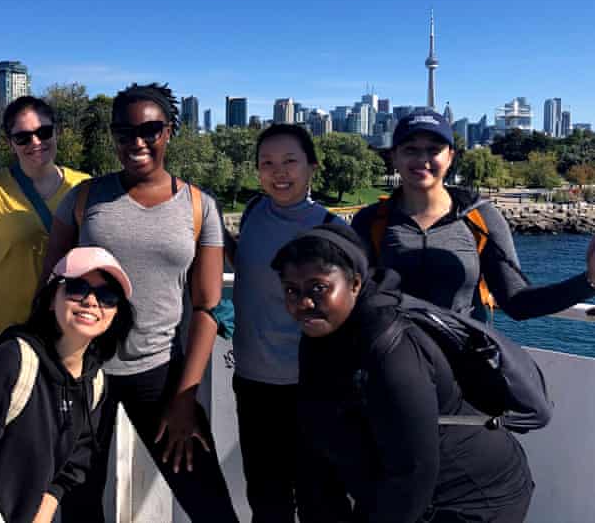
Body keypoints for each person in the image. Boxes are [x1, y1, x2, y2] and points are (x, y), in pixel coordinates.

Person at [45, 83, 239, 522]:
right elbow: (50, 286)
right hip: (84, 373)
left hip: (161, 375)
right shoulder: (83, 200)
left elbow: (207, 307)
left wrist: (185, 397)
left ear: (169, 131)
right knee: (79, 506)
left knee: (209, 503)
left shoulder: (198, 205)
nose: (137, 142)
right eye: (124, 132)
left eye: (150, 129)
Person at [272, 224, 534, 523]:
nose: (303, 303)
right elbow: (317, 432)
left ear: (355, 284)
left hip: (473, 496)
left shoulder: (392, 351)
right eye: (292, 290)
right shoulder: (319, 338)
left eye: (319, 288)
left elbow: (414, 473)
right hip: (393, 483)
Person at [0, 246, 135, 523]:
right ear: (52, 298)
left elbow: (69, 469)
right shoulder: (9, 363)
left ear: (116, 315)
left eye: (107, 296)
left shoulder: (94, 383)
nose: (91, 301)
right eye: (78, 288)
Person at [352, 110, 595, 321]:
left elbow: (518, 302)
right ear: (394, 157)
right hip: (391, 363)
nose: (422, 159)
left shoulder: (480, 217)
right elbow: (351, 298)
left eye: (433, 150)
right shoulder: (370, 221)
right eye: (410, 150)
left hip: (463, 364)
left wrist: (588, 281)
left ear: (450, 157)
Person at [224, 124, 350, 522]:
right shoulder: (254, 212)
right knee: (266, 498)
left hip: (311, 386)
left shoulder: (332, 229)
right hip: (253, 383)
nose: (279, 172)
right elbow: (245, 263)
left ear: (311, 166)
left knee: (321, 499)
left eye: (290, 162)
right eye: (267, 163)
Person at [0, 96, 90, 352]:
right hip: (11, 332)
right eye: (23, 137)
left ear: (57, 132)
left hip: (72, 328)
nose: (36, 143)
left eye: (44, 132)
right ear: (10, 143)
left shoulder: (84, 187)